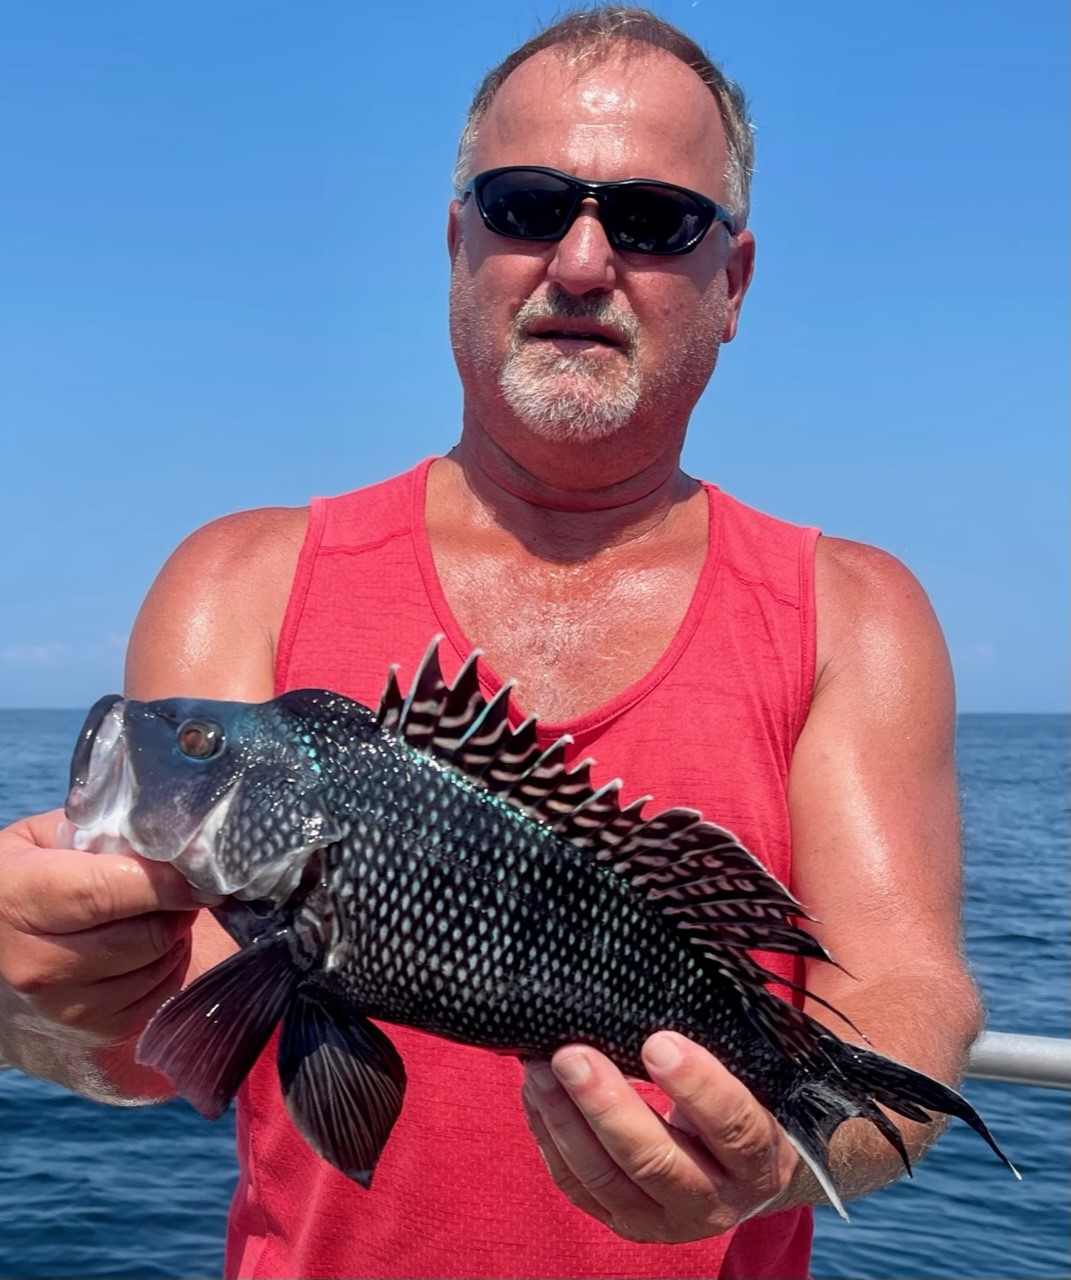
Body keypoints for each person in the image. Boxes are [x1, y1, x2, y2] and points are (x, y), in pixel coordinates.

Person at [0, 7, 982, 1278]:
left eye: (651, 221)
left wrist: (786, 1157)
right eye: (526, 205)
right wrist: (35, 1007)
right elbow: (163, 1041)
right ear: (457, 243)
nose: (580, 260)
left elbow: (916, 992)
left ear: (732, 282)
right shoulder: (237, 579)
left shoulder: (854, 610)